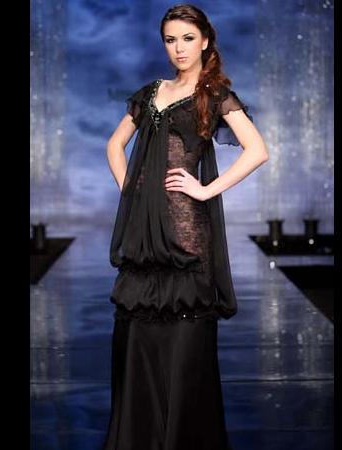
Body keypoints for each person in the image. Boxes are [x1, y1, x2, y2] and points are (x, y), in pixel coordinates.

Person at [102, 4, 269, 449]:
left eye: (188, 38)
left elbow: (257, 150)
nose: (179, 48)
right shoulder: (151, 92)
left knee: (186, 338)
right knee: (138, 336)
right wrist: (132, 193)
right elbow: (115, 145)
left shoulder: (213, 94)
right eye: (170, 40)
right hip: (144, 232)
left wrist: (206, 189)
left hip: (186, 230)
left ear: (205, 41)